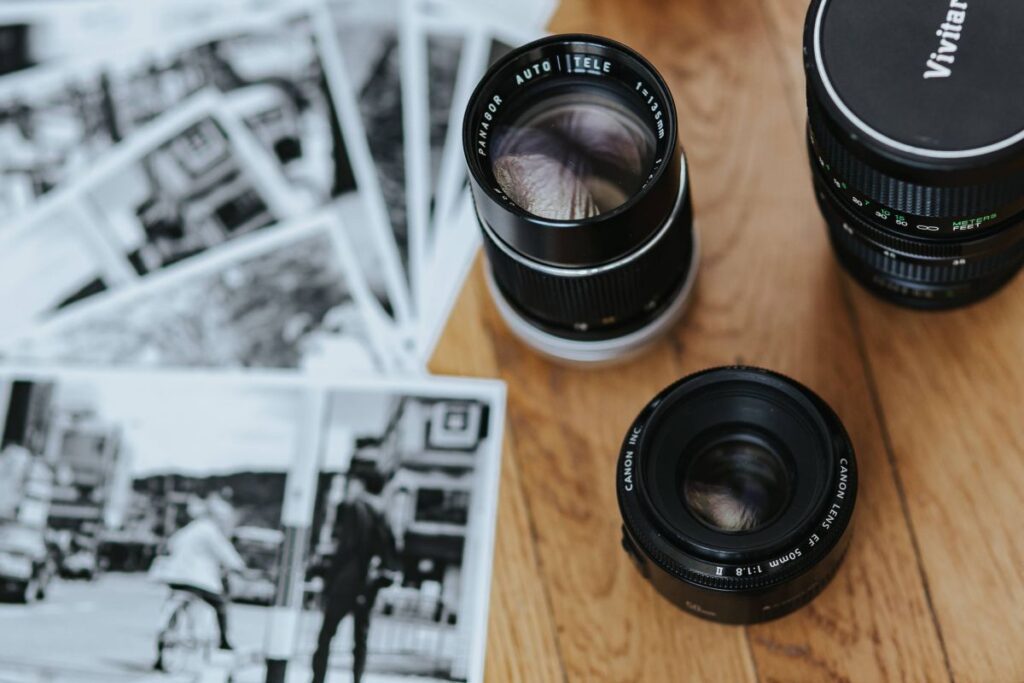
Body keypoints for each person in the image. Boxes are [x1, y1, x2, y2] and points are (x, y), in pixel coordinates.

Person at [311, 475, 399, 683]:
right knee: (360, 638)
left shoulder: (356, 508)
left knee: (327, 634)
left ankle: (318, 679)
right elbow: (392, 547)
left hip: (347, 579)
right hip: (369, 582)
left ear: (362, 484)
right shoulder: (384, 511)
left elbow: (347, 546)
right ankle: (357, 679)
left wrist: (330, 579)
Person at [153, 494, 245, 670]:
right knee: (221, 605)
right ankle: (224, 640)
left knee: (171, 609)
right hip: (197, 580)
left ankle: (162, 649)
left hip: (174, 577)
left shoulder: (189, 529)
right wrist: (240, 567)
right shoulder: (209, 530)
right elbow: (225, 553)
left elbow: (171, 546)